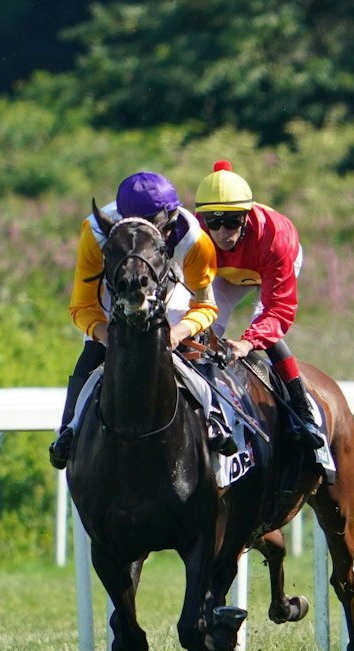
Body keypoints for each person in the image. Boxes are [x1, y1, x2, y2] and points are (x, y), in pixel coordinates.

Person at [48, 172, 228, 468]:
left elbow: (206, 305)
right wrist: (109, 339)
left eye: (162, 230)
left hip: (170, 292)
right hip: (116, 292)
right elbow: (83, 306)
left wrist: (177, 334)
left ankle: (216, 419)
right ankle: (68, 428)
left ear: (171, 221)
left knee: (193, 351)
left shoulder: (195, 239)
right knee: (93, 352)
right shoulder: (95, 233)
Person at [193, 160, 327, 450]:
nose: (223, 233)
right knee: (202, 328)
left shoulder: (274, 238)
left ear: (246, 215)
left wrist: (247, 343)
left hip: (272, 264)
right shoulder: (194, 233)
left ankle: (303, 413)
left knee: (265, 331)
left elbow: (278, 310)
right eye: (214, 223)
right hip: (227, 272)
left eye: (232, 222)